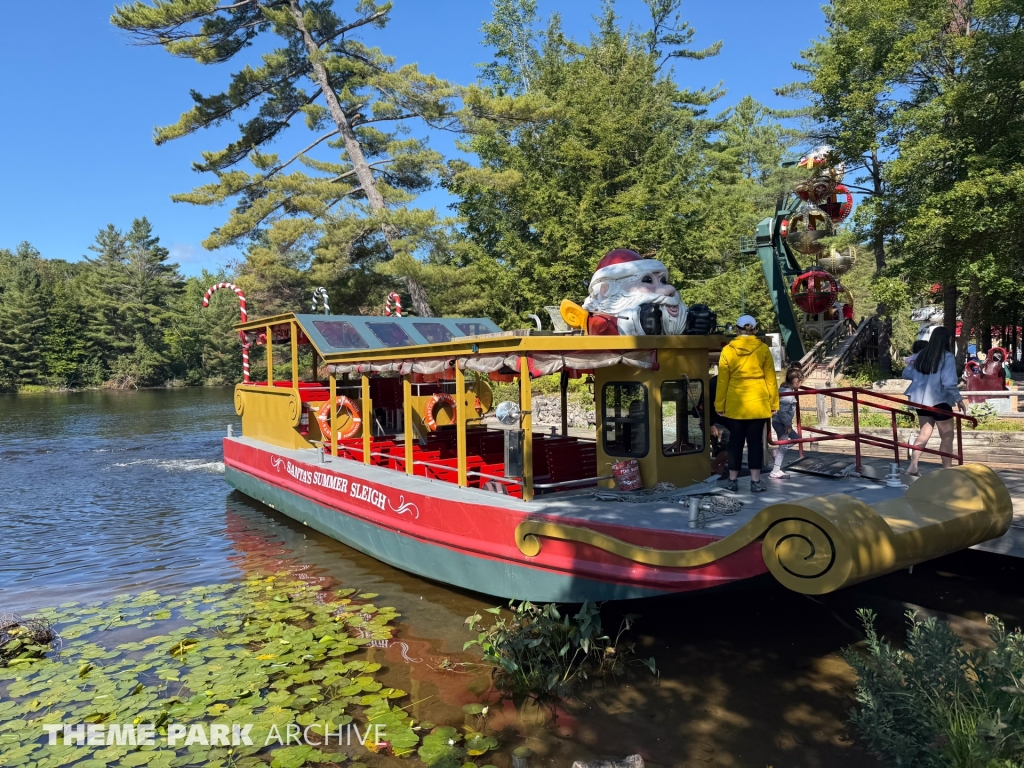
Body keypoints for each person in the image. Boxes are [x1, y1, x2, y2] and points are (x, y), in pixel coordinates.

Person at [714, 315, 780, 493]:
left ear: (736, 329)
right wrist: (774, 403)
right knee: (755, 442)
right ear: (755, 329)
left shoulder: (728, 350)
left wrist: (720, 405)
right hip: (758, 403)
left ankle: (732, 480)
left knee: (735, 442)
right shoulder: (763, 349)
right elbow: (771, 379)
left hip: (735, 403)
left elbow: (722, 380)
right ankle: (756, 481)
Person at [903, 326, 966, 475]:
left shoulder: (921, 355)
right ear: (947, 340)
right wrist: (959, 399)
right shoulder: (947, 357)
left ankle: (913, 466)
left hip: (921, 401)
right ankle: (947, 470)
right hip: (939, 400)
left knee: (924, 433)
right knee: (947, 436)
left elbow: (906, 374)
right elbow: (948, 383)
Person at [770, 368, 803, 479]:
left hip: (780, 422)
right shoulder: (788, 395)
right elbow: (783, 411)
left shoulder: (782, 389)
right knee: (784, 445)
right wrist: (787, 424)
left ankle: (777, 451)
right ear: (796, 381)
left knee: (797, 439)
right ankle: (775, 470)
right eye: (800, 382)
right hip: (782, 423)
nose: (801, 385)